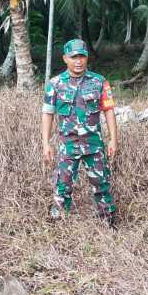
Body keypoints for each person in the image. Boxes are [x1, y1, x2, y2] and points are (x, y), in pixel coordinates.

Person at [41, 39, 119, 227]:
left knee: (102, 185)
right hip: (68, 147)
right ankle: (59, 224)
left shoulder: (99, 82)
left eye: (82, 56)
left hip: (94, 146)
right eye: (73, 57)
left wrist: (113, 140)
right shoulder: (55, 84)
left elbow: (109, 111)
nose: (78, 61)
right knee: (62, 187)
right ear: (65, 59)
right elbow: (47, 113)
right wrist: (46, 143)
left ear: (87, 58)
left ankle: (108, 223)